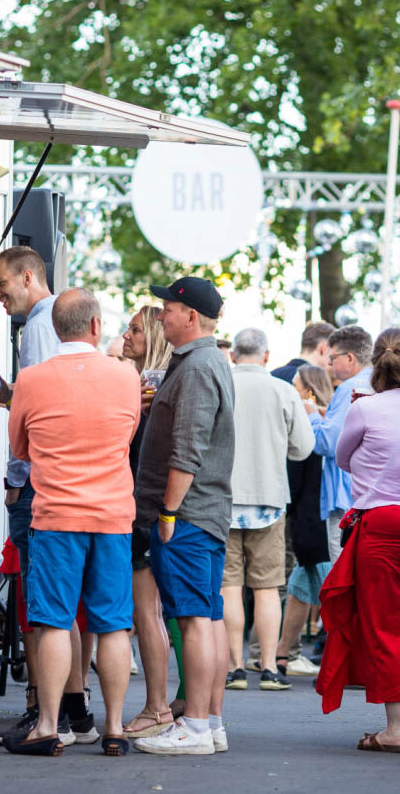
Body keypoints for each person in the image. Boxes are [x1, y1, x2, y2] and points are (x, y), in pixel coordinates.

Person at [3, 288, 140, 757]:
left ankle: (47, 724)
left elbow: (19, 448)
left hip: (56, 515)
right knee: (114, 625)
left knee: (54, 622)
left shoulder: (32, 379)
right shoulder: (125, 377)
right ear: (97, 326)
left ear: (55, 328)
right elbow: (127, 434)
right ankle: (116, 727)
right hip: (112, 515)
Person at [0, 246, 94, 745]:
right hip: (80, 478)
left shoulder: (35, 327)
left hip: (39, 481)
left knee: (40, 606)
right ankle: (77, 709)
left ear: (28, 277)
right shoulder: (63, 326)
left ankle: (40, 708)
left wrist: (13, 482)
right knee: (70, 605)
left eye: (1, 283)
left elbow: (29, 417)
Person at [132, 276, 234, 757]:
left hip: (187, 514)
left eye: (166, 308)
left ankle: (194, 725)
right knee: (206, 618)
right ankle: (208, 721)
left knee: (194, 620)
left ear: (190, 315)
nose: (160, 316)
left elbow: (187, 450)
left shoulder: (197, 366)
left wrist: (168, 511)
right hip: (201, 514)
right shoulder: (205, 361)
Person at [316, 328, 400, 752]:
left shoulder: (365, 409)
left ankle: (396, 730)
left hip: (381, 526)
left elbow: (341, 458)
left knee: (390, 627)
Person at [221, 329, 314, 692]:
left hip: (223, 500)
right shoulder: (283, 390)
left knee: (229, 586)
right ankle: (270, 667)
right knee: (267, 587)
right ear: (265, 355)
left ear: (234, 356)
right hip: (269, 500)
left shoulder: (222, 384)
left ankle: (235, 667)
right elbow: (303, 448)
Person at [120, 306, 176, 736]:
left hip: (144, 513)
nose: (127, 334)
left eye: (136, 329)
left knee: (147, 613)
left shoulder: (151, 390)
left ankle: (157, 706)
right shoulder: (141, 385)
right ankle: (166, 705)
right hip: (147, 511)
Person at [275, 364, 334, 677]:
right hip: (319, 520)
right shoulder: (331, 421)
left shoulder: (307, 426)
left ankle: (337, 661)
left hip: (312, 522)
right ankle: (283, 654)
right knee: (301, 588)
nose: (290, 389)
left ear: (308, 391)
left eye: (295, 385)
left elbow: (295, 477)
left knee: (322, 590)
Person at [303, 325, 373, 564]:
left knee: (342, 571)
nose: (329, 364)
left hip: (345, 499)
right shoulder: (381, 383)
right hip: (372, 497)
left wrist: (311, 415)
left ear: (350, 357)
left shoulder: (348, 389)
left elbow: (327, 444)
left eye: (333, 358)